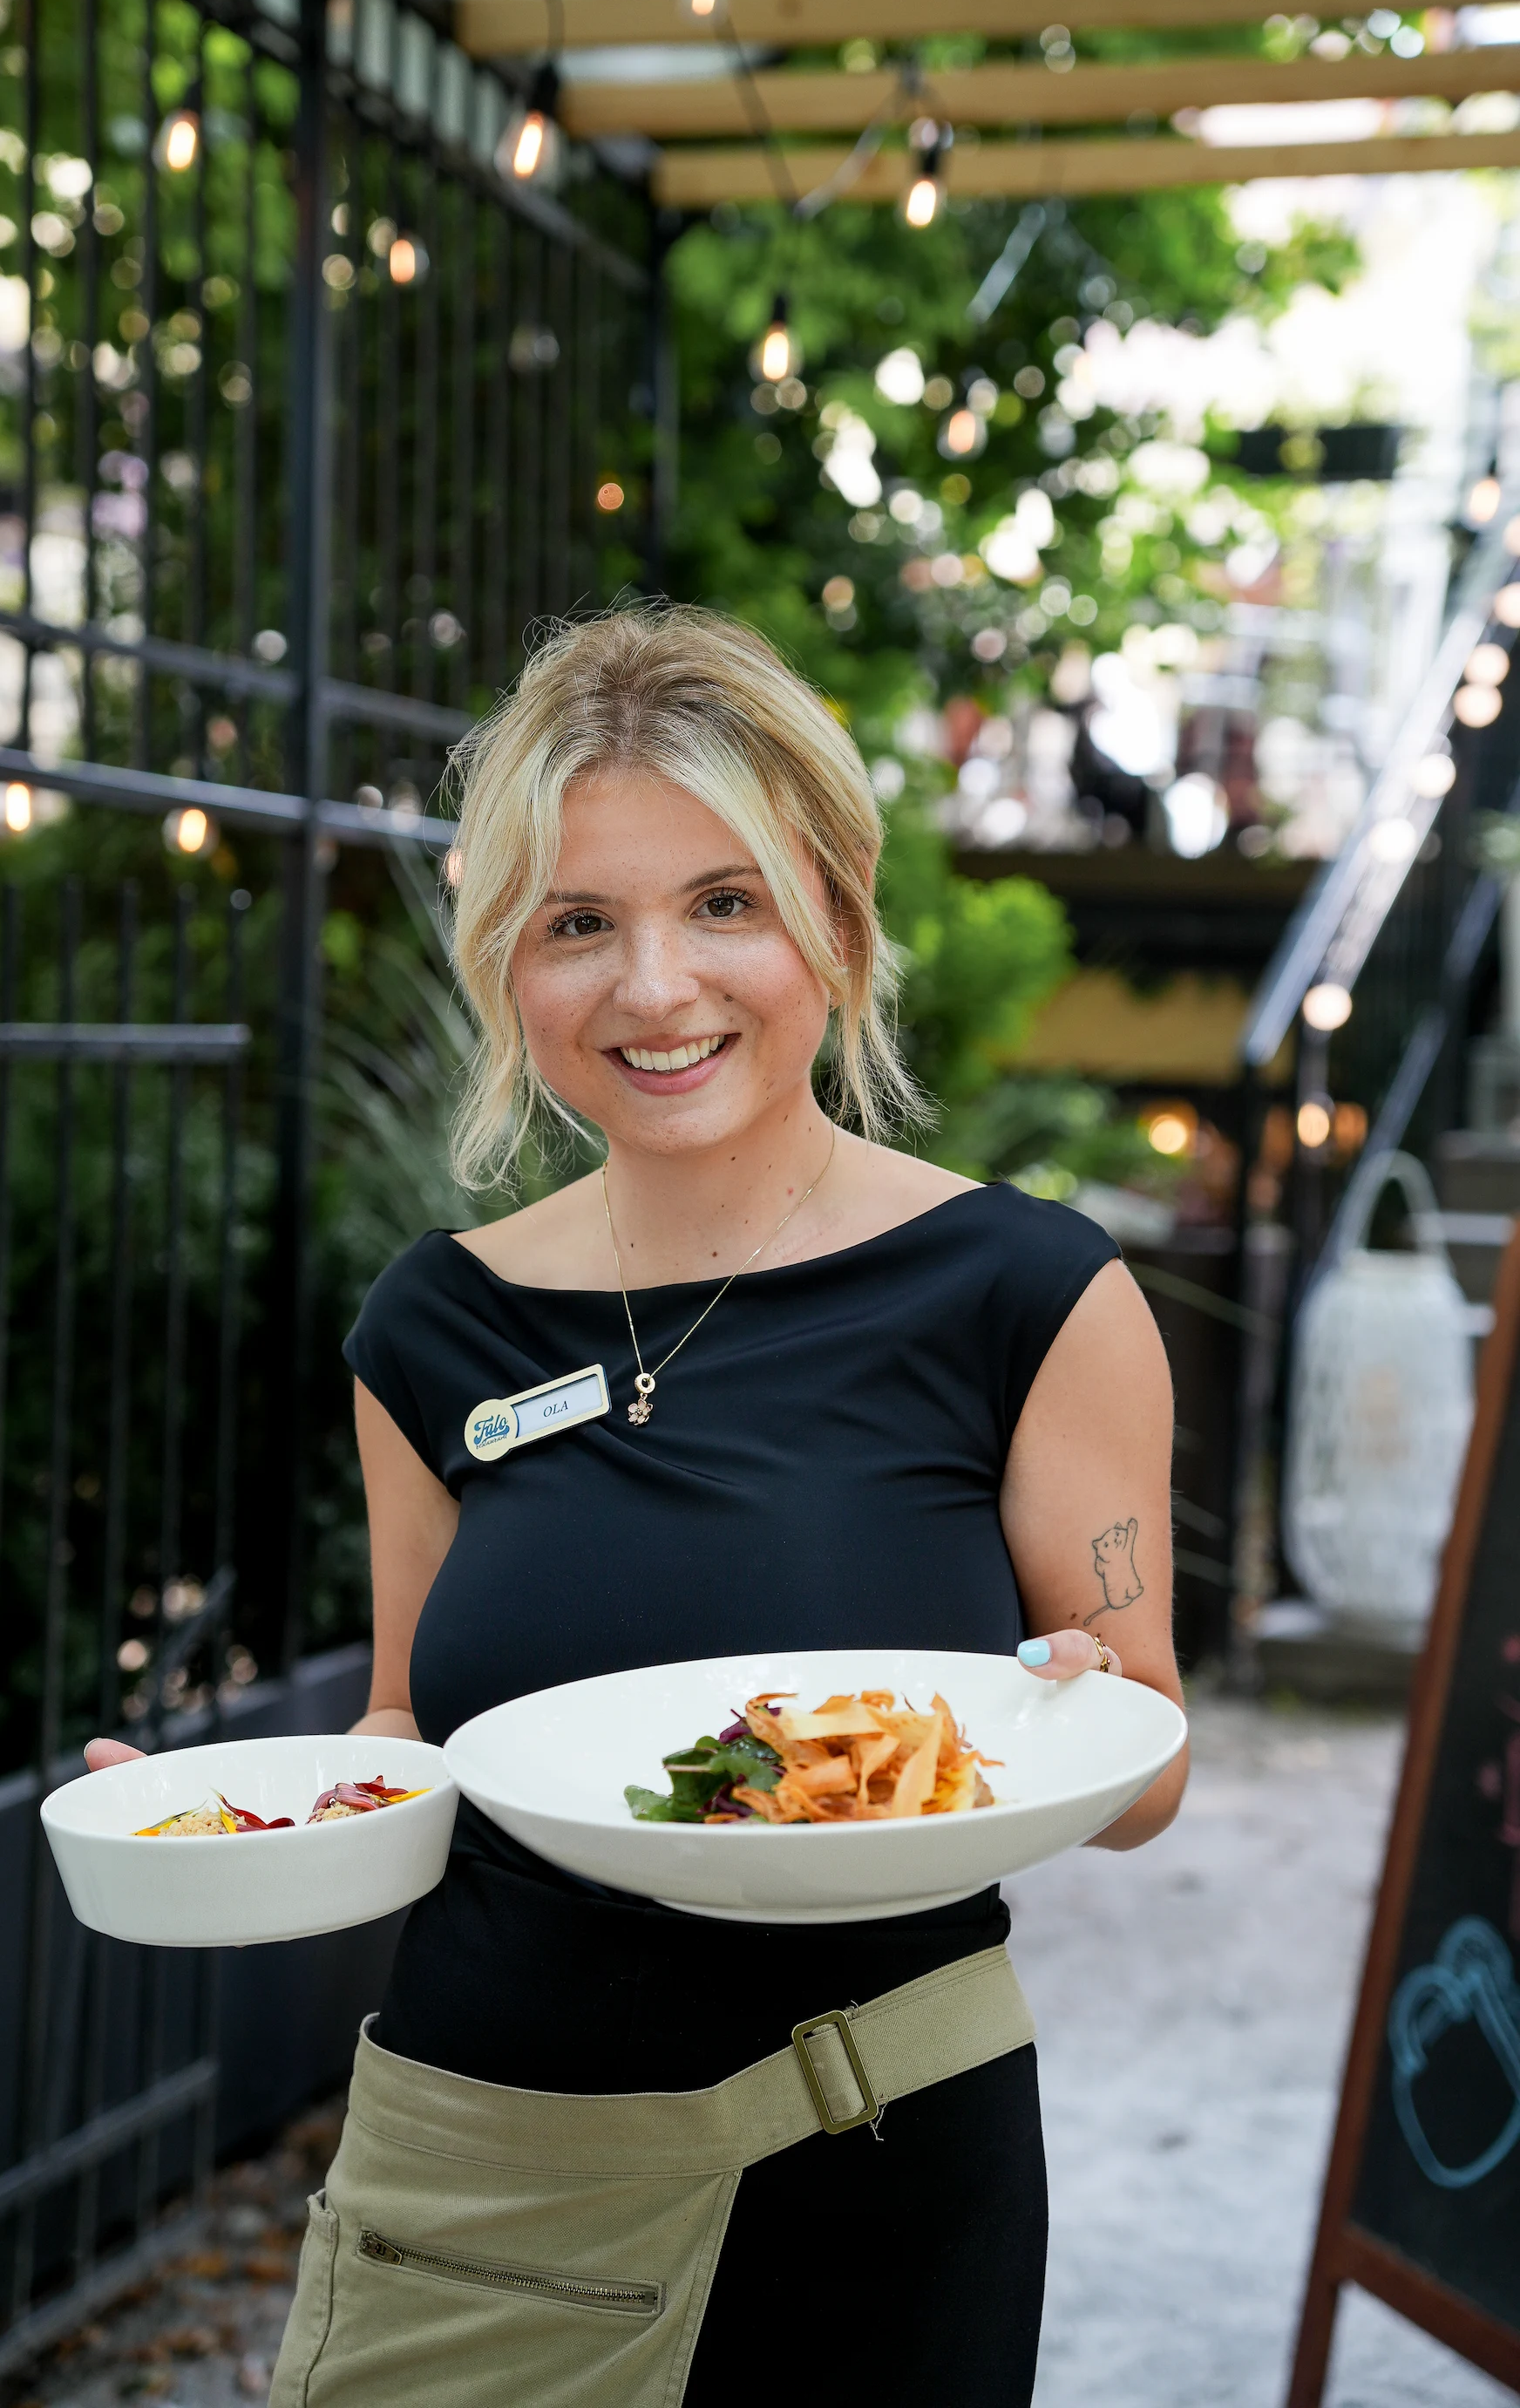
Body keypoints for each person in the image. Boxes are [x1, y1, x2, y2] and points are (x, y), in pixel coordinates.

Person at [92, 604, 1185, 2405]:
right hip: (483, 2176)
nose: (654, 989)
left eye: (724, 904)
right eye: (579, 924)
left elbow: (1146, 1766)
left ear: (834, 917)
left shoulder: (1029, 1296)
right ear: (507, 967)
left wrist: (1081, 1710)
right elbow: (406, 1722)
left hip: (881, 2168)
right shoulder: (428, 1326)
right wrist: (255, 1827)